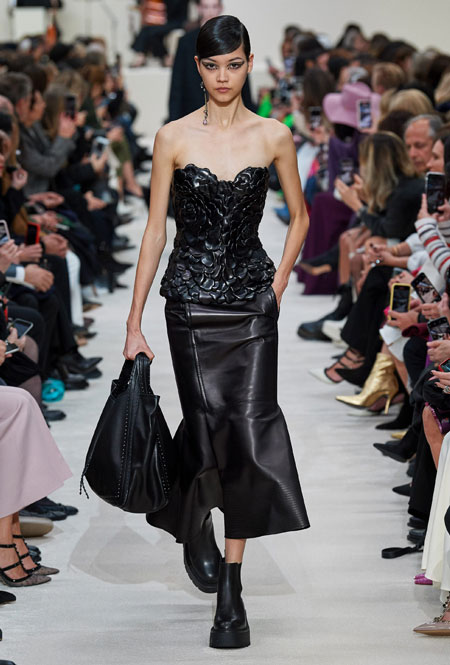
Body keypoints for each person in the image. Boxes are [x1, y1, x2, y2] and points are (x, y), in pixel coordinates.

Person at [124, 15, 310, 649]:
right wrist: (133, 321)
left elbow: (300, 217)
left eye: (234, 65)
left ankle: (232, 586)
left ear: (250, 63)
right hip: (191, 306)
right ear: (198, 68)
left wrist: (277, 287)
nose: (223, 77)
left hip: (252, 304)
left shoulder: (275, 135)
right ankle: (193, 512)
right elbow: (156, 230)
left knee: (248, 432)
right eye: (212, 66)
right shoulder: (172, 138)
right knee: (207, 428)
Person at [168, 0, 254, 121]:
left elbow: (243, 79)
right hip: (192, 111)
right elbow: (177, 83)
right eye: (206, 7)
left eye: (214, 7)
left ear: (220, 8)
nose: (210, 12)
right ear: (199, 8)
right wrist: (174, 120)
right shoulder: (186, 42)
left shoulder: (233, 39)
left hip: (227, 113)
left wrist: (251, 114)